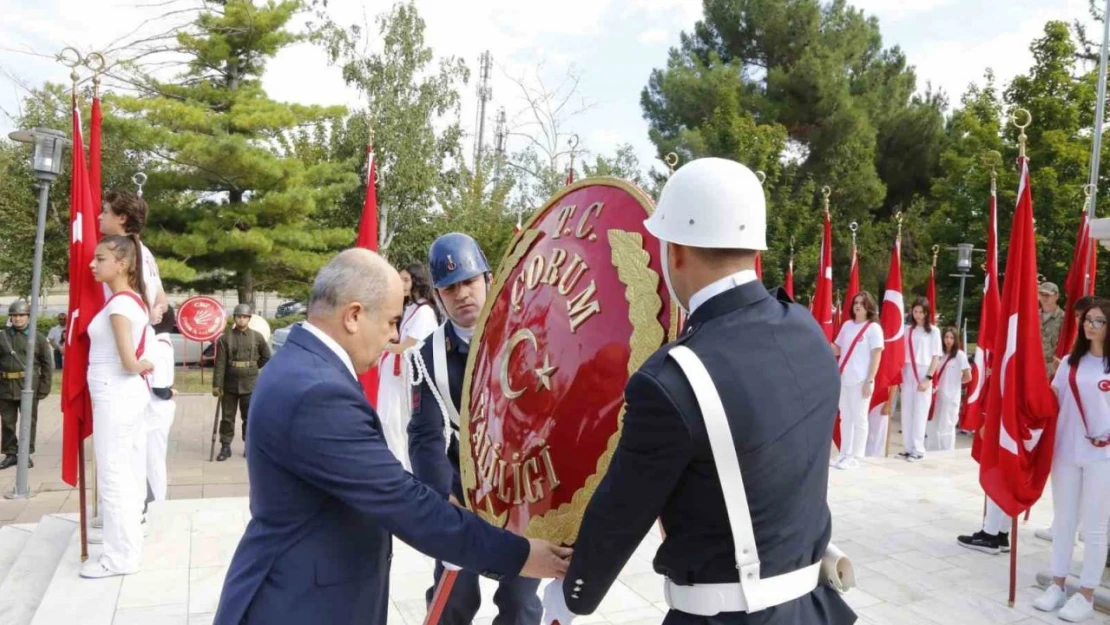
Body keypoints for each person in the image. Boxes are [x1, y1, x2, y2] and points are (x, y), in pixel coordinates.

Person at [541, 157, 855, 624]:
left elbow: (621, 514)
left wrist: (570, 596)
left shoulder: (673, 380)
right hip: (814, 609)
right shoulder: (807, 331)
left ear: (678, 251)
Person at [214, 249, 570, 625]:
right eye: (390, 321)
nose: (395, 335)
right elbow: (403, 501)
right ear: (353, 316)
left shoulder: (301, 364)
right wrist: (521, 555)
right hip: (299, 603)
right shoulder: (317, 391)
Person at [409, 233, 543, 625]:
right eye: (450, 288)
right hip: (461, 493)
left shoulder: (531, 331)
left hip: (524, 491)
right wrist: (441, 506)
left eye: (469, 282)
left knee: (520, 605)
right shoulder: (428, 355)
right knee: (453, 599)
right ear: (437, 294)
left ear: (488, 278)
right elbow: (425, 437)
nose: (462, 294)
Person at [1033, 299, 1110, 622]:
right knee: (1064, 521)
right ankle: (1058, 583)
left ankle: (1087, 593)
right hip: (1066, 451)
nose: (1090, 325)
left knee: (1094, 527)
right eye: (1088, 320)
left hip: (1101, 456)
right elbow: (1052, 399)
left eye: (1099, 320)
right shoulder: (1069, 363)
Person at [82, 234, 154, 579]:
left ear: (122, 264)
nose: (92, 264)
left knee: (113, 475)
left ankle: (119, 557)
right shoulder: (128, 301)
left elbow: (129, 361)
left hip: (116, 393)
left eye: (100, 259)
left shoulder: (121, 305)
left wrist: (142, 365)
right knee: (125, 471)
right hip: (119, 395)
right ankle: (126, 546)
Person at [1039, 294, 1097, 544]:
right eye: (1077, 317)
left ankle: (1081, 527)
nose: (1080, 322)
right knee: (1069, 484)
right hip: (1070, 426)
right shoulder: (1075, 344)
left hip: (1093, 433)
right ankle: (1066, 526)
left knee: (1089, 488)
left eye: (1083, 317)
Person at [377, 263, 438, 469]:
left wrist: (382, 345)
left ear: (416, 281)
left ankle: (406, 469)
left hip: (406, 380)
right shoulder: (411, 309)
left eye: (406, 280)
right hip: (396, 377)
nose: (401, 284)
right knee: (390, 422)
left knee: (400, 423)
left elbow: (408, 346)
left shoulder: (425, 313)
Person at [830, 291, 883, 470]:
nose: (858, 306)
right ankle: (845, 453)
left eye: (862, 303)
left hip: (862, 381)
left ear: (869, 307)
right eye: (855, 303)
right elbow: (837, 349)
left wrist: (870, 380)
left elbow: (877, 355)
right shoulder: (847, 325)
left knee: (860, 419)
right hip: (845, 379)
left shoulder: (873, 328)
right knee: (845, 417)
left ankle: (857, 456)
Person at [99, 190, 169, 323]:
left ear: (122, 218)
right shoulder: (146, 252)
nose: (100, 217)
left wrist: (146, 317)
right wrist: (150, 316)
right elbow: (162, 302)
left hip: (121, 332)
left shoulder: (117, 251)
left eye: (105, 212)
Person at [212, 304, 271, 461]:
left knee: (249, 417)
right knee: (227, 418)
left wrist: (252, 367)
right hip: (229, 383)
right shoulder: (225, 338)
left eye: (245, 317)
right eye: (239, 316)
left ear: (249, 318)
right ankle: (225, 447)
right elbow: (220, 364)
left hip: (250, 384)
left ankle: (249, 446)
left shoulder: (257, 337)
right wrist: (217, 385)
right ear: (235, 318)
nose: (241, 319)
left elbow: (266, 356)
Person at [0, 300, 53, 470]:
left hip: (28, 386)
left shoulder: (37, 338)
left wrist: (44, 387)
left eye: (21, 315)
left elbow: (46, 365)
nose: (17, 319)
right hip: (6, 385)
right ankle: (10, 454)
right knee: (7, 422)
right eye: (14, 315)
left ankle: (25, 454)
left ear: (28, 317)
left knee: (28, 421)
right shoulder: (3, 337)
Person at [898, 298, 943, 462]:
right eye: (915, 311)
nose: (917, 315)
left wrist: (928, 378)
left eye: (921, 312)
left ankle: (918, 448)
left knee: (920, 411)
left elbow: (936, 356)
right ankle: (907, 447)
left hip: (923, 370)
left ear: (926, 313)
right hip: (908, 370)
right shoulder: (907, 330)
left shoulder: (934, 331)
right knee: (907, 410)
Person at [146, 306, 176, 502]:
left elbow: (159, 388)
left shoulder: (159, 346)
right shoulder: (162, 343)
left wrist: (171, 392)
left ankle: (157, 500)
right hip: (156, 410)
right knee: (152, 459)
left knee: (153, 460)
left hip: (155, 410)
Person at [924, 327, 971, 452]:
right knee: (933, 424)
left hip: (950, 397)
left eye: (951, 338)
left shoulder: (960, 355)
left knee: (947, 426)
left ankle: (946, 451)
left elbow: (968, 377)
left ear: (956, 340)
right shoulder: (939, 355)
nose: (948, 340)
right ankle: (931, 450)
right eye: (946, 337)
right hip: (936, 395)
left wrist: (955, 383)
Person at [1040, 281, 1064, 377]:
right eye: (1042, 294)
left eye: (1048, 295)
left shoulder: (1064, 319)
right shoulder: (1031, 317)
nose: (1044, 297)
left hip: (1054, 371)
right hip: (1033, 366)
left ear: (1056, 296)